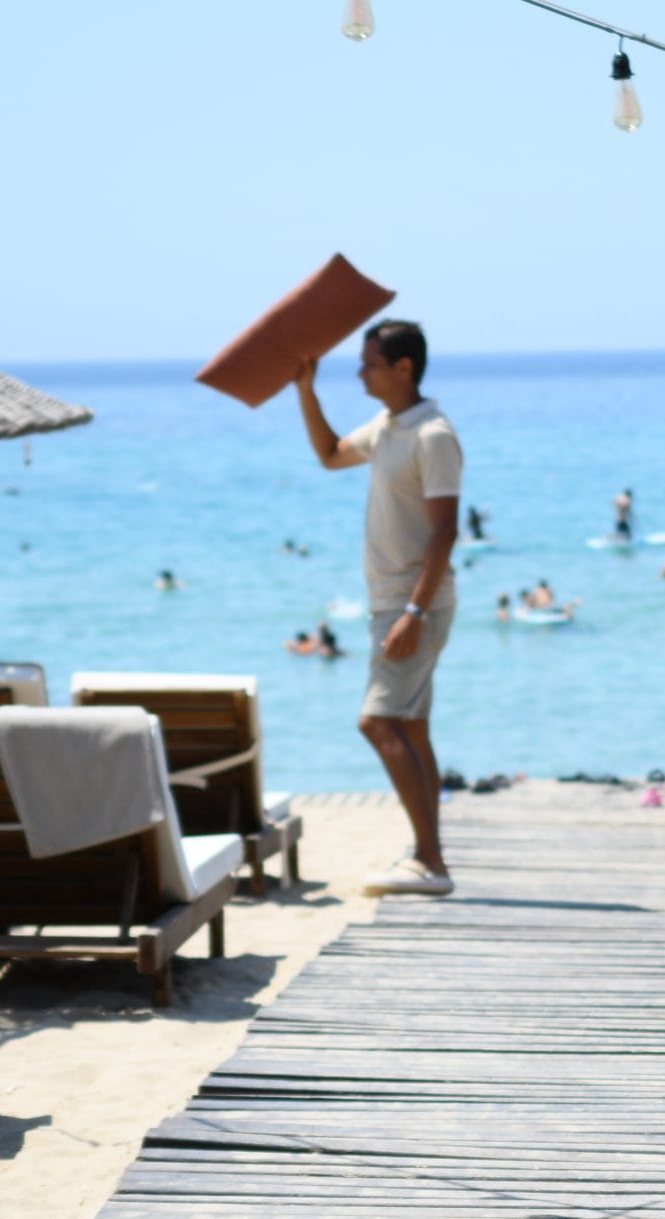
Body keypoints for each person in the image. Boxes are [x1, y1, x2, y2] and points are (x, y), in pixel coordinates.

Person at [295, 319, 463, 897]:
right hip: (389, 604)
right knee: (411, 730)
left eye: (369, 363)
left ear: (403, 369)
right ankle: (427, 856)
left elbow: (445, 531)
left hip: (413, 607)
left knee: (377, 721)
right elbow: (329, 453)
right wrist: (305, 390)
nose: (360, 372)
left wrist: (413, 615)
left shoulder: (432, 434)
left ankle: (432, 862)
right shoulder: (389, 426)